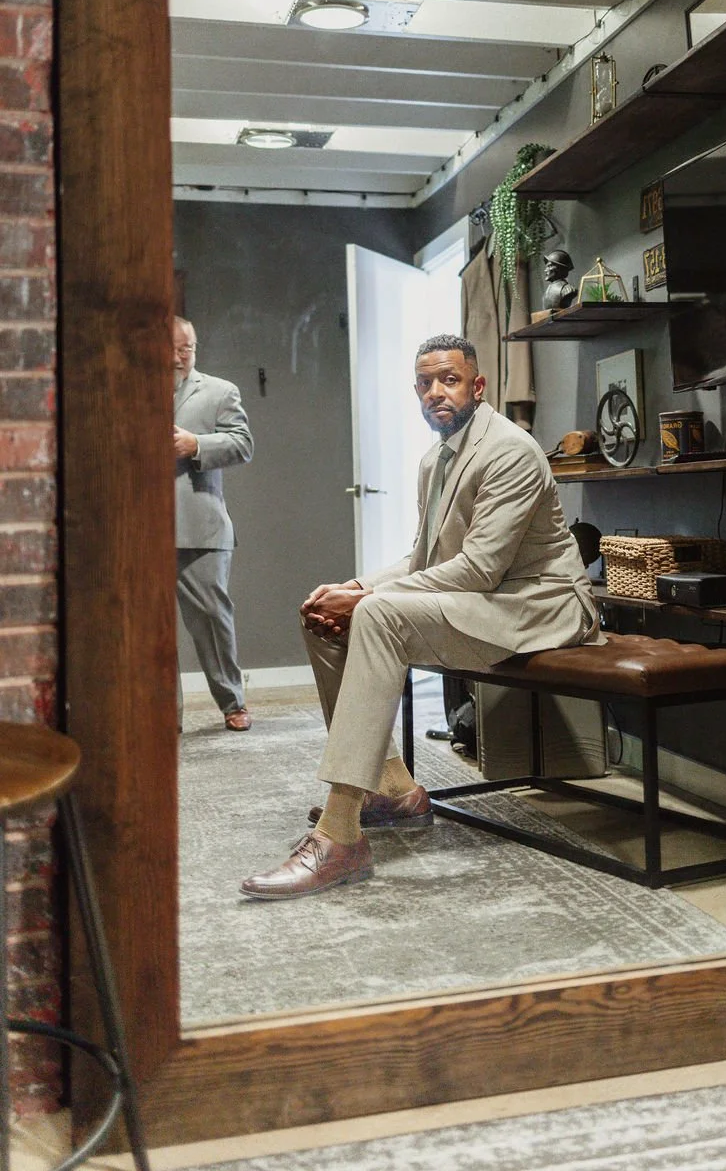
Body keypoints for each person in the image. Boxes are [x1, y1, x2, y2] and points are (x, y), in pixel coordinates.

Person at [240, 334, 602, 900]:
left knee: (377, 614)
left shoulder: (510, 449)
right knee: (323, 615)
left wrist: (367, 601)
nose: (436, 392)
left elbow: (480, 568)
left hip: (541, 604)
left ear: (477, 387)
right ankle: (391, 787)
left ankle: (338, 837)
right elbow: (423, 558)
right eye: (426, 383)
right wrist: (353, 587)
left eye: (449, 380)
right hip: (486, 599)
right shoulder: (434, 458)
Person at [173, 317, 254, 731]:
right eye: (172, 348)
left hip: (200, 526)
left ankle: (233, 703)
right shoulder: (130, 389)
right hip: (140, 531)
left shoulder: (220, 391)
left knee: (211, 618)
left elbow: (243, 444)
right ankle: (165, 715)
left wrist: (197, 444)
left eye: (187, 348)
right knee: (151, 633)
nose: (180, 356)